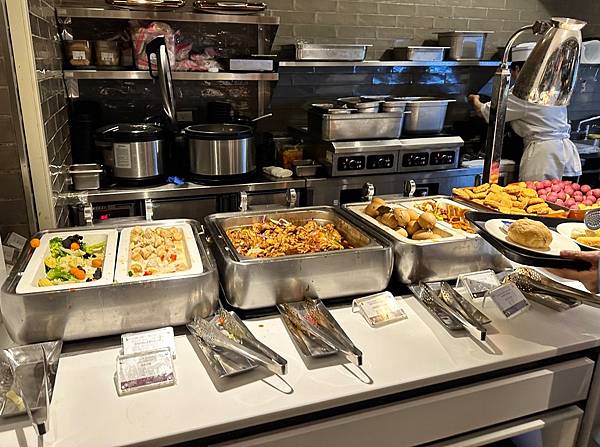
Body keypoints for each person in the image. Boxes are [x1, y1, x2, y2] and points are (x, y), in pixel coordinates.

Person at [468, 42, 581, 182]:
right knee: (561, 195)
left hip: (543, 157)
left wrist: (474, 99)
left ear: (516, 69)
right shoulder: (552, 86)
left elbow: (489, 112)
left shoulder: (524, 93)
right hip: (566, 154)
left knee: (535, 194)